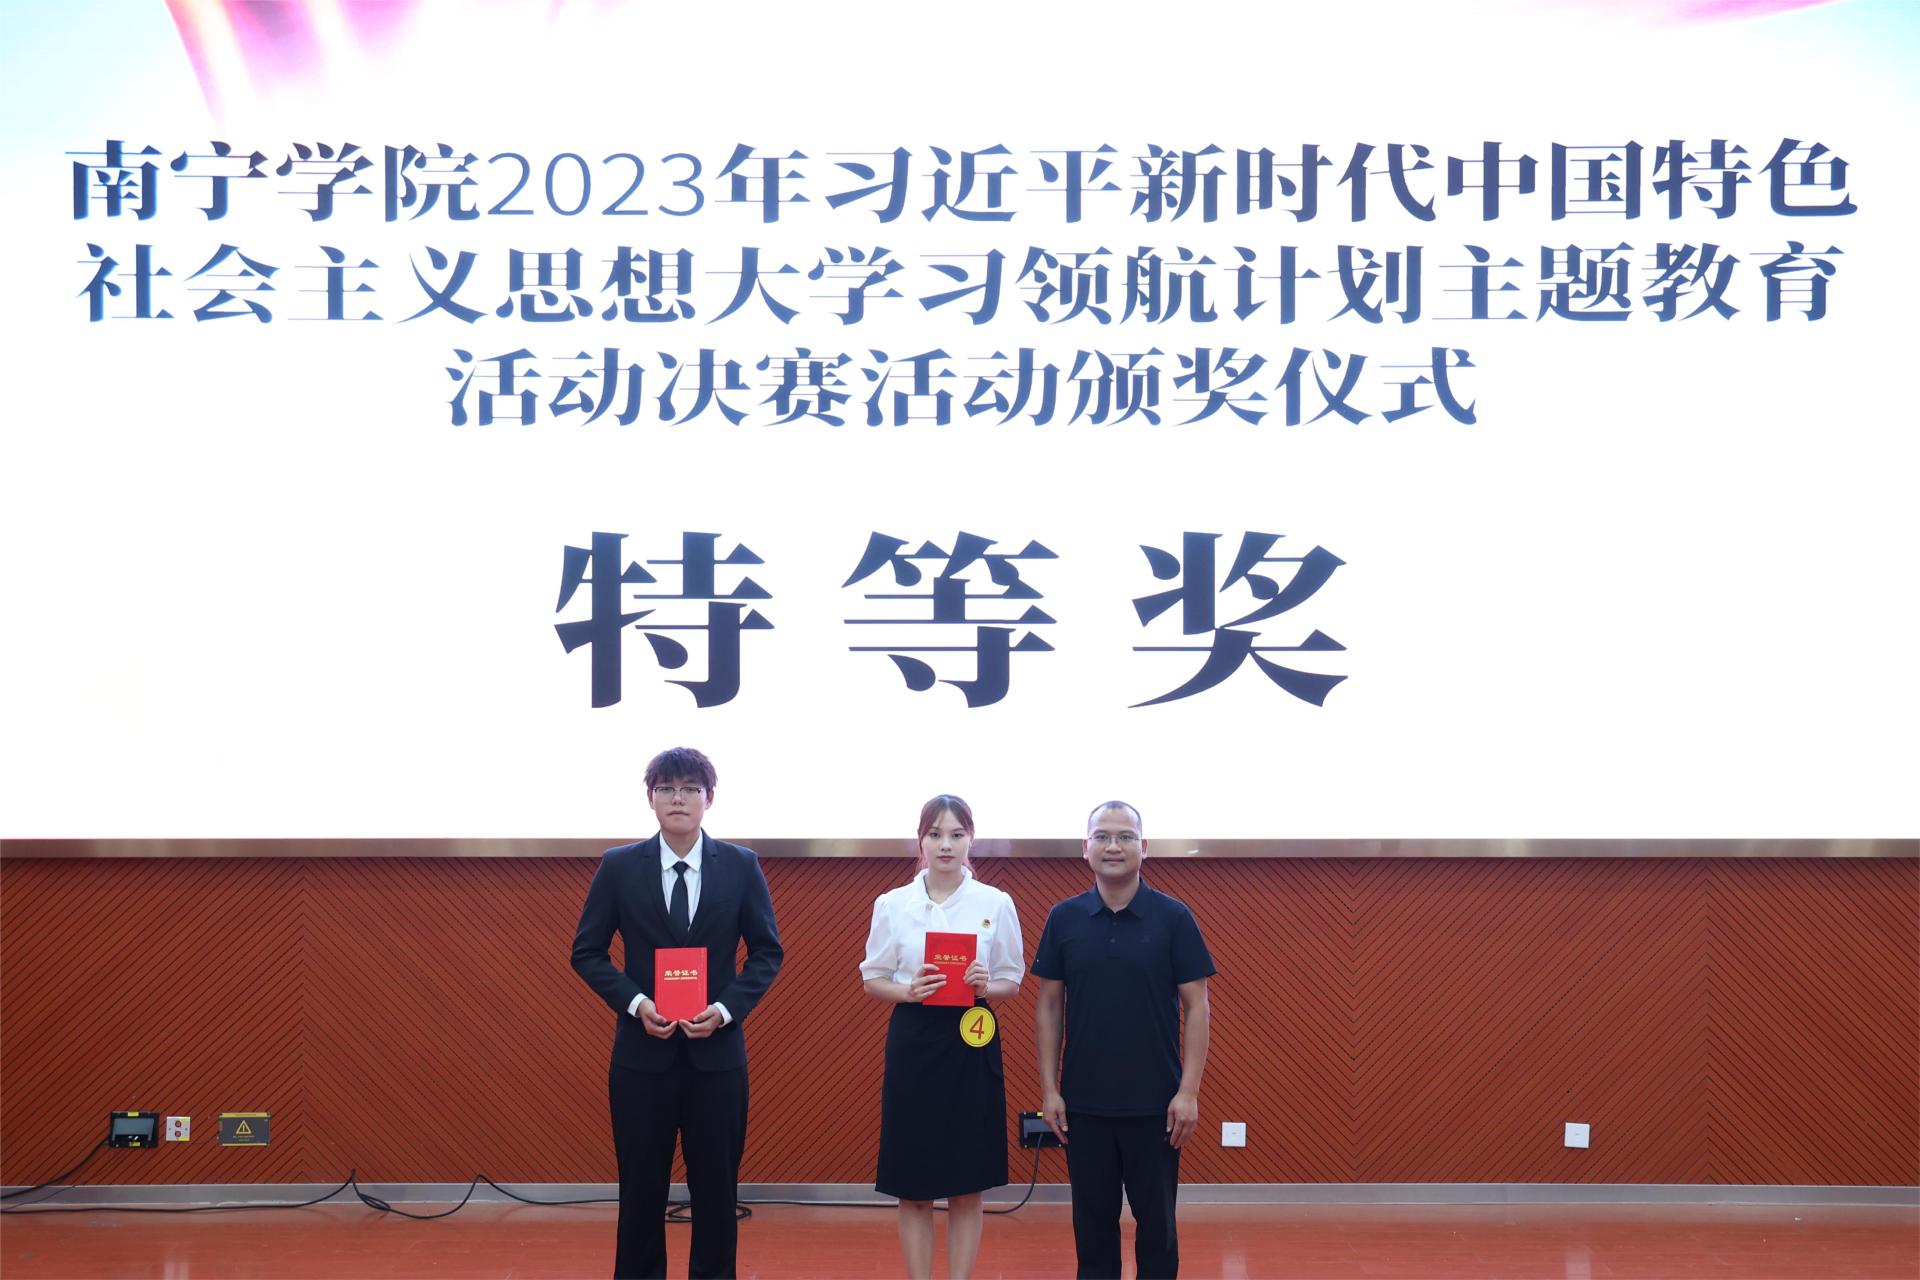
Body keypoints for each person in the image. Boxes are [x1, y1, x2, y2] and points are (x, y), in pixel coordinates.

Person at [571, 747, 783, 1280]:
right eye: (666, 788)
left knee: (717, 1192)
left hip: (718, 1059)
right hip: (643, 1058)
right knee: (640, 1191)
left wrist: (725, 1010)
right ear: (651, 799)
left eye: (690, 788)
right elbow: (587, 952)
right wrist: (637, 1003)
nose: (678, 799)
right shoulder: (620, 866)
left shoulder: (740, 865)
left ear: (709, 798)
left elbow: (766, 952)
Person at [1032, 800, 1215, 1280]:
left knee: (1158, 1231)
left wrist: (1188, 1093)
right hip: (1084, 1105)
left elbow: (1198, 1006)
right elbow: (1049, 1006)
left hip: (1157, 1106)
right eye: (1103, 836)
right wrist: (1050, 1090)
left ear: (1143, 846)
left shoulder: (1174, 917)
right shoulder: (1064, 918)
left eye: (1125, 837)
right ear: (1085, 847)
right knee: (1092, 1233)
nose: (1113, 846)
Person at [860, 795, 1025, 1280]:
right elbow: (873, 979)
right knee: (912, 1184)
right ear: (921, 841)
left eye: (956, 834)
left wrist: (985, 985)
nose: (945, 845)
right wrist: (908, 991)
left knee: (966, 1184)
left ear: (971, 839)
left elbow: (1012, 981)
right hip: (914, 1037)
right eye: (935, 834)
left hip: (972, 1036)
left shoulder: (995, 902)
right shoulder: (892, 904)